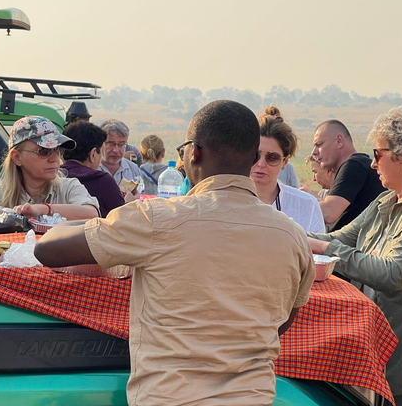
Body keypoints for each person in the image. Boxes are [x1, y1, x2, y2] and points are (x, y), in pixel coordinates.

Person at [35, 100, 315, 406]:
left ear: (192, 152)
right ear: (252, 158)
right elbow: (282, 321)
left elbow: (48, 250)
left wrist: (79, 220)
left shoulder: (156, 219)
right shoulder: (292, 237)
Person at [306, 107, 402, 406]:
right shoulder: (385, 201)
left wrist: (324, 248)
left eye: (378, 154)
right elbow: (339, 238)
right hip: (387, 358)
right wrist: (289, 234)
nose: (373, 164)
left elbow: (394, 274)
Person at [0, 116, 99, 220]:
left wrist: (42, 209)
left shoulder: (69, 187)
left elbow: (92, 214)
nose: (54, 158)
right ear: (17, 157)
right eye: (44, 151)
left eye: (57, 150)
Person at [252, 107, 325, 233]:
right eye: (255, 155)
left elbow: (315, 252)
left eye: (272, 158)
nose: (261, 163)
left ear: (285, 162)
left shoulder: (306, 205)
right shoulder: (224, 201)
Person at [311, 119, 385, 232]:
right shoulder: (355, 165)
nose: (314, 152)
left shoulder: (354, 165)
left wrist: (302, 199)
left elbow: (329, 213)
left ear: (339, 141)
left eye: (319, 144)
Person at [60, 121, 127, 217]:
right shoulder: (102, 181)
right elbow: (122, 219)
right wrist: (129, 203)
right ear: (93, 154)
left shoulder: (54, 177)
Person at [98, 119, 144, 194]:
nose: (116, 150)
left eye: (121, 144)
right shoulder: (91, 169)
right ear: (100, 143)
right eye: (111, 144)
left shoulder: (133, 169)